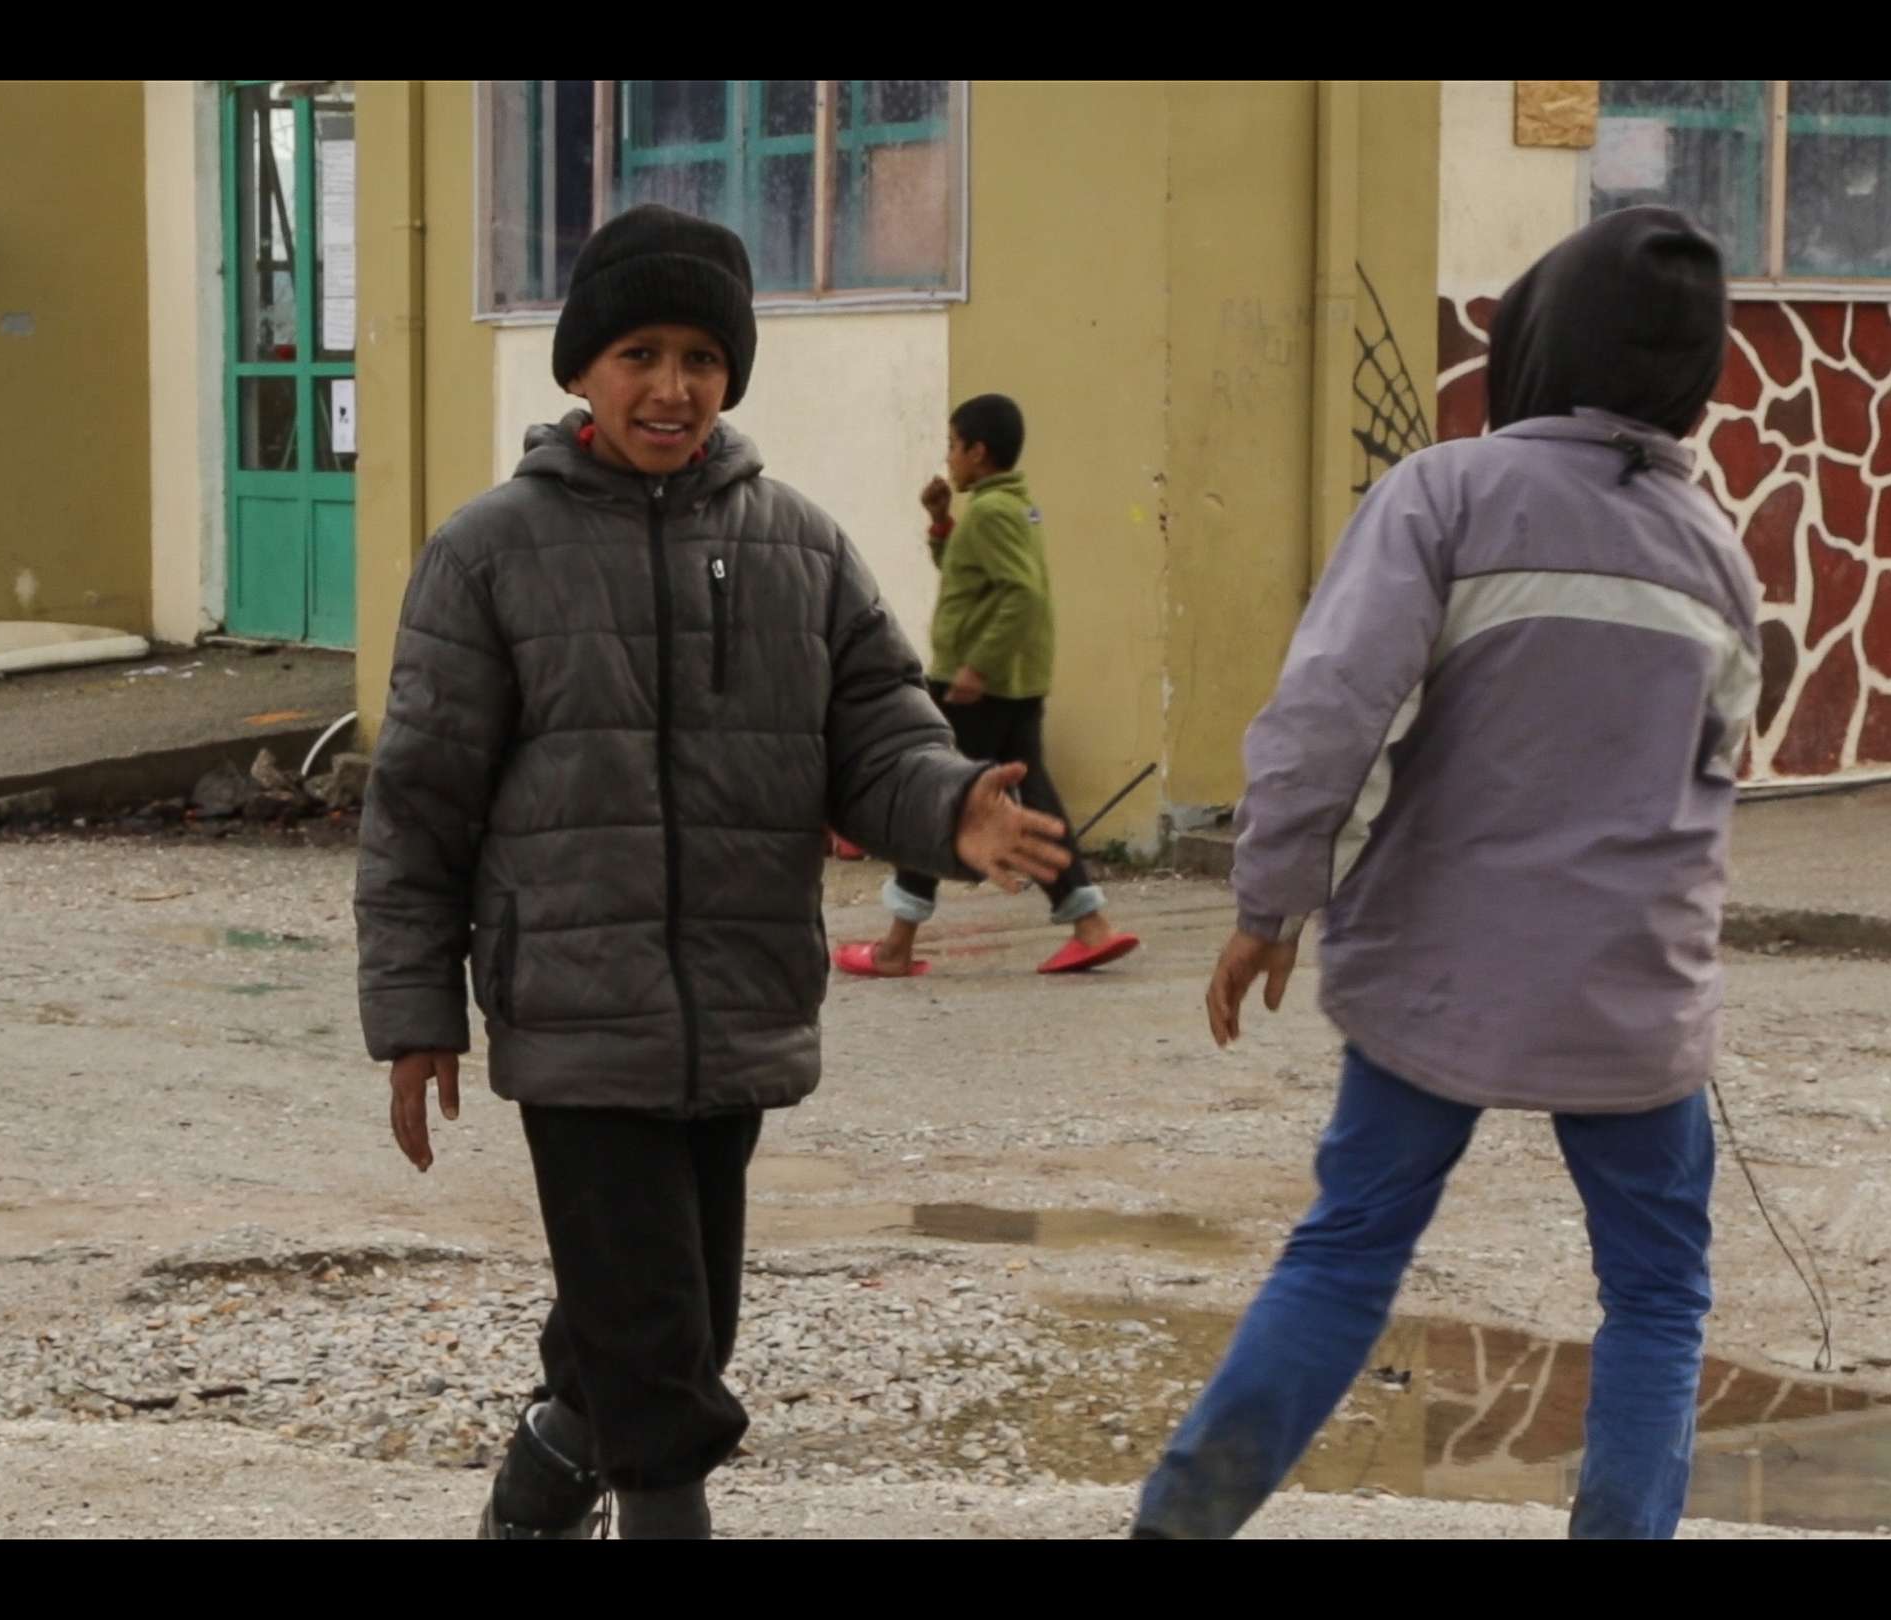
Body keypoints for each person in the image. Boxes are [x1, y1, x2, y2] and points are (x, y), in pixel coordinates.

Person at [355, 205, 1072, 1539]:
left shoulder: (798, 546)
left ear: (732, 370)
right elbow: (420, 807)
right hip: (575, 1010)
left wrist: (951, 806)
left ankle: (531, 1495)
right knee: (662, 1364)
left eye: (699, 356)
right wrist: (414, 1014)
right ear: (579, 369)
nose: (670, 387)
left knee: (668, 1322)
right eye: (638, 353)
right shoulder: (489, 554)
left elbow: (879, 735)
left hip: (738, 997)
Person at [1127, 207, 1757, 1541]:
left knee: (1348, 1251)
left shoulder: (1446, 493)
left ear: (1540, 338)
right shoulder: (1719, 554)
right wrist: (1684, 991)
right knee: (1656, 1295)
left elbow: (1323, 719)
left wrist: (1269, 905)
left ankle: (1180, 1522)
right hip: (1636, 1003)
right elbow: (1711, 785)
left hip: (1438, 974)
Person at [835, 394, 1139, 979]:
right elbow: (973, 576)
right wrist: (942, 523)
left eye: (953, 445)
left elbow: (1020, 595)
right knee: (1037, 800)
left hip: (980, 686)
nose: (948, 458)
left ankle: (897, 946)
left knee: (932, 789)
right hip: (1016, 686)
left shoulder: (996, 514)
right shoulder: (1014, 508)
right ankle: (1088, 922)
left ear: (978, 451)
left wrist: (978, 665)